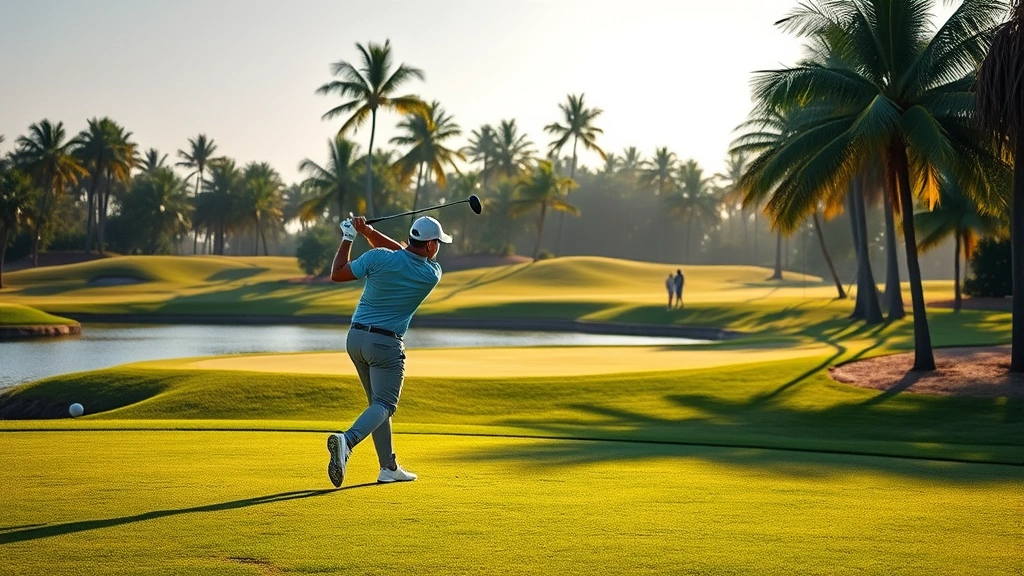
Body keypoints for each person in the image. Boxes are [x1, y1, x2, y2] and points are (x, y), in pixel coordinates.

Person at [325, 214, 452, 487]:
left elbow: (338, 273)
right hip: (385, 345)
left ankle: (388, 467)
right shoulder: (431, 274)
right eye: (438, 242)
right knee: (385, 405)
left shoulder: (378, 258)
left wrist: (351, 236)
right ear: (430, 246)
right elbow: (404, 254)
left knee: (377, 405)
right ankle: (346, 441)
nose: (438, 247)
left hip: (355, 339)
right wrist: (368, 232)